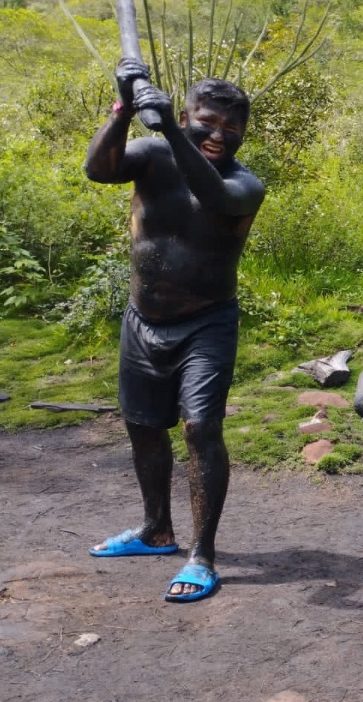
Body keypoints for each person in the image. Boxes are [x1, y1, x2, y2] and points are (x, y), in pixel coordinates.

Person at [84, 58, 265, 603]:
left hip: (206, 323)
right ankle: (155, 529)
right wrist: (122, 108)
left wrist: (168, 128)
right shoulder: (151, 157)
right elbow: (98, 169)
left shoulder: (243, 184)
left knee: (200, 430)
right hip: (143, 320)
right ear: (187, 114)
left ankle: (202, 554)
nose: (217, 136)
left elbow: (213, 197)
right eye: (206, 122)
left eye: (231, 130)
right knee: (142, 425)